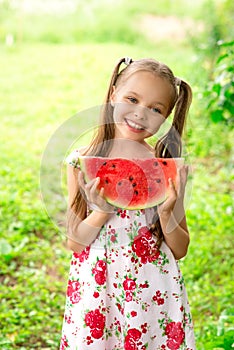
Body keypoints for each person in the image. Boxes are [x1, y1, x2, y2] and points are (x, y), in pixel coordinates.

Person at [60, 57, 196, 349]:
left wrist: (166, 211)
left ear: (166, 117)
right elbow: (74, 242)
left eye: (156, 109)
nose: (140, 114)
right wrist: (100, 211)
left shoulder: (168, 168)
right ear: (113, 95)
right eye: (131, 99)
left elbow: (180, 249)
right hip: (98, 290)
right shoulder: (80, 162)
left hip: (152, 288)